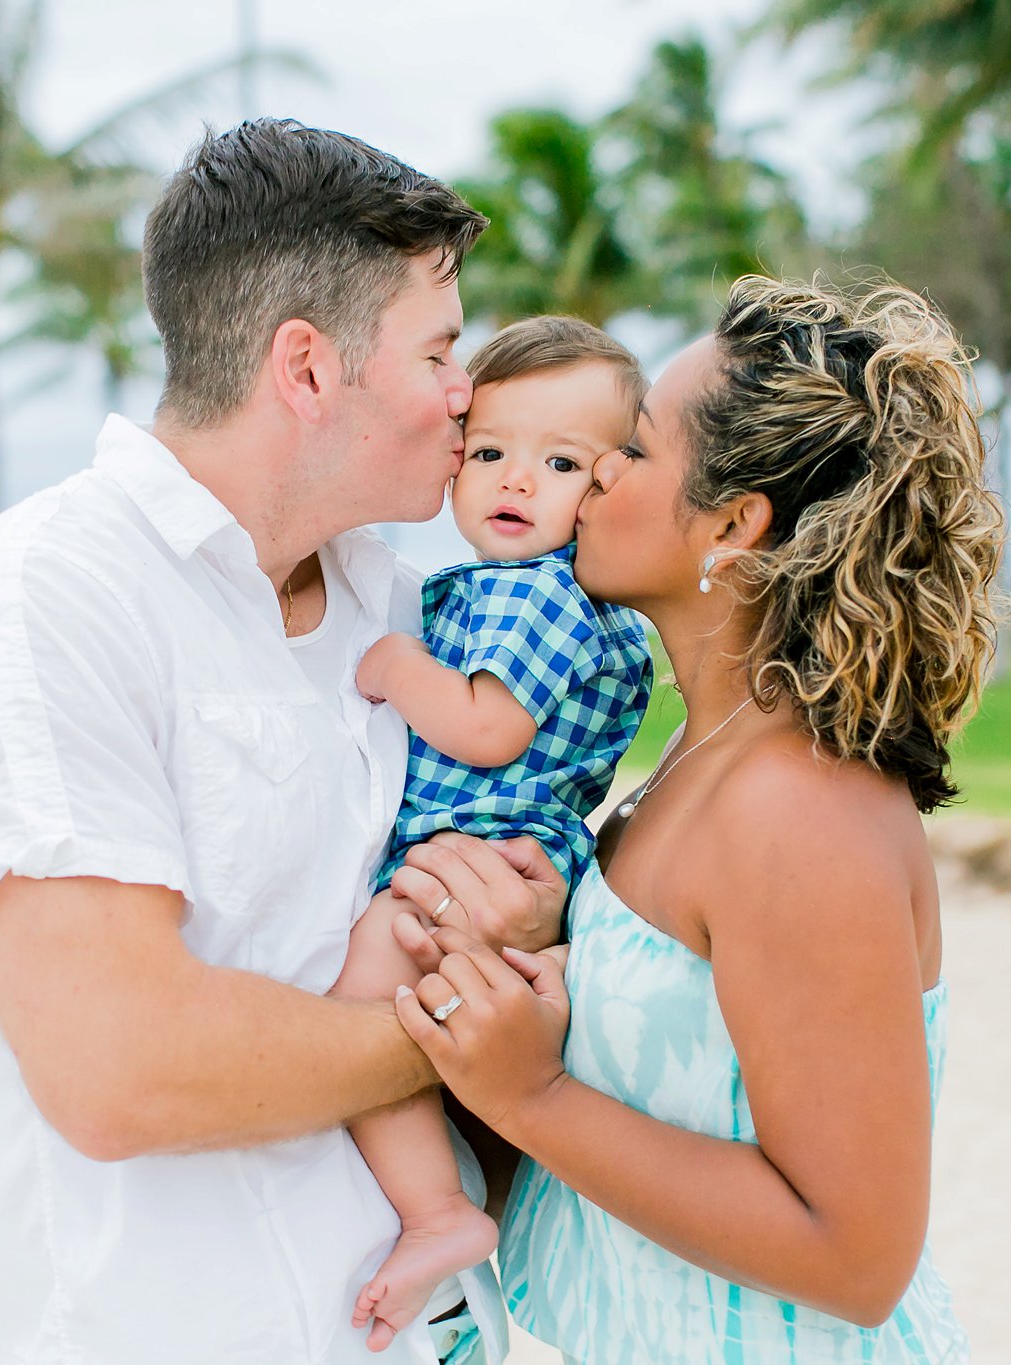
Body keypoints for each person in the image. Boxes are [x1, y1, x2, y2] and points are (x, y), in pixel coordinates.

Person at [0, 120, 568, 1365]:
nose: (469, 393)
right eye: (439, 350)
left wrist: (521, 926)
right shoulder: (46, 601)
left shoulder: (391, 605)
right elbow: (123, 1067)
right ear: (306, 368)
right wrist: (478, 1031)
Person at [389, 275, 1004, 1363]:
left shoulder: (800, 808)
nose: (588, 481)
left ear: (731, 524)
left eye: (628, 451)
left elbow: (856, 1258)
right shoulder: (693, 757)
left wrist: (529, 1096)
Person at [333, 317, 654, 1350]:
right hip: (497, 851)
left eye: (558, 463)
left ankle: (436, 1215)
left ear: (605, 486)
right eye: (488, 453)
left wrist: (392, 668)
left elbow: (487, 727)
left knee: (361, 996)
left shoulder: (531, 596)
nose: (515, 481)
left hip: (480, 848)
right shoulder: (526, 593)